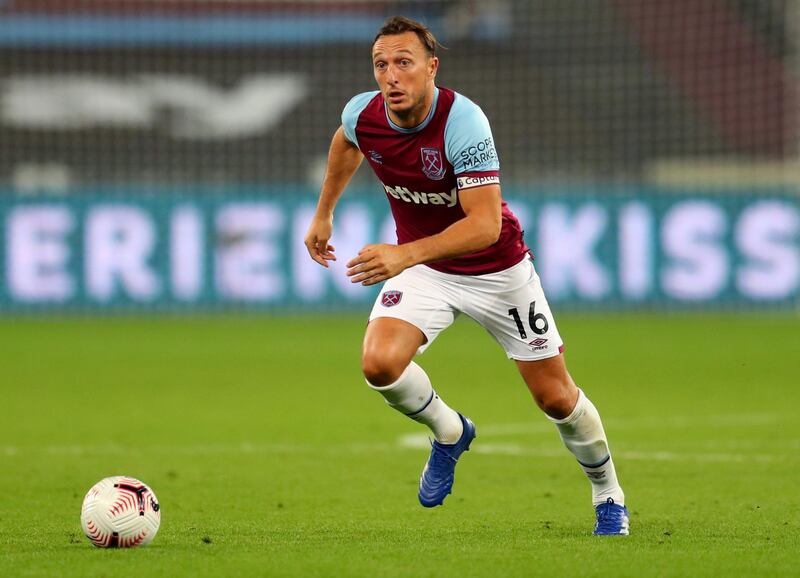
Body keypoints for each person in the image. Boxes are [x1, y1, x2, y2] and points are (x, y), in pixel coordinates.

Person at [304, 15, 629, 535]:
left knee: (556, 398)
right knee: (380, 364)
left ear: (432, 68)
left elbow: (483, 225)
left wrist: (403, 254)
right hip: (427, 268)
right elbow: (346, 140)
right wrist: (325, 212)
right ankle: (450, 432)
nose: (390, 76)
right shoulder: (364, 113)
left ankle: (607, 493)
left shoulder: (463, 122)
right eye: (381, 65)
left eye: (403, 63)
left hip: (497, 270)